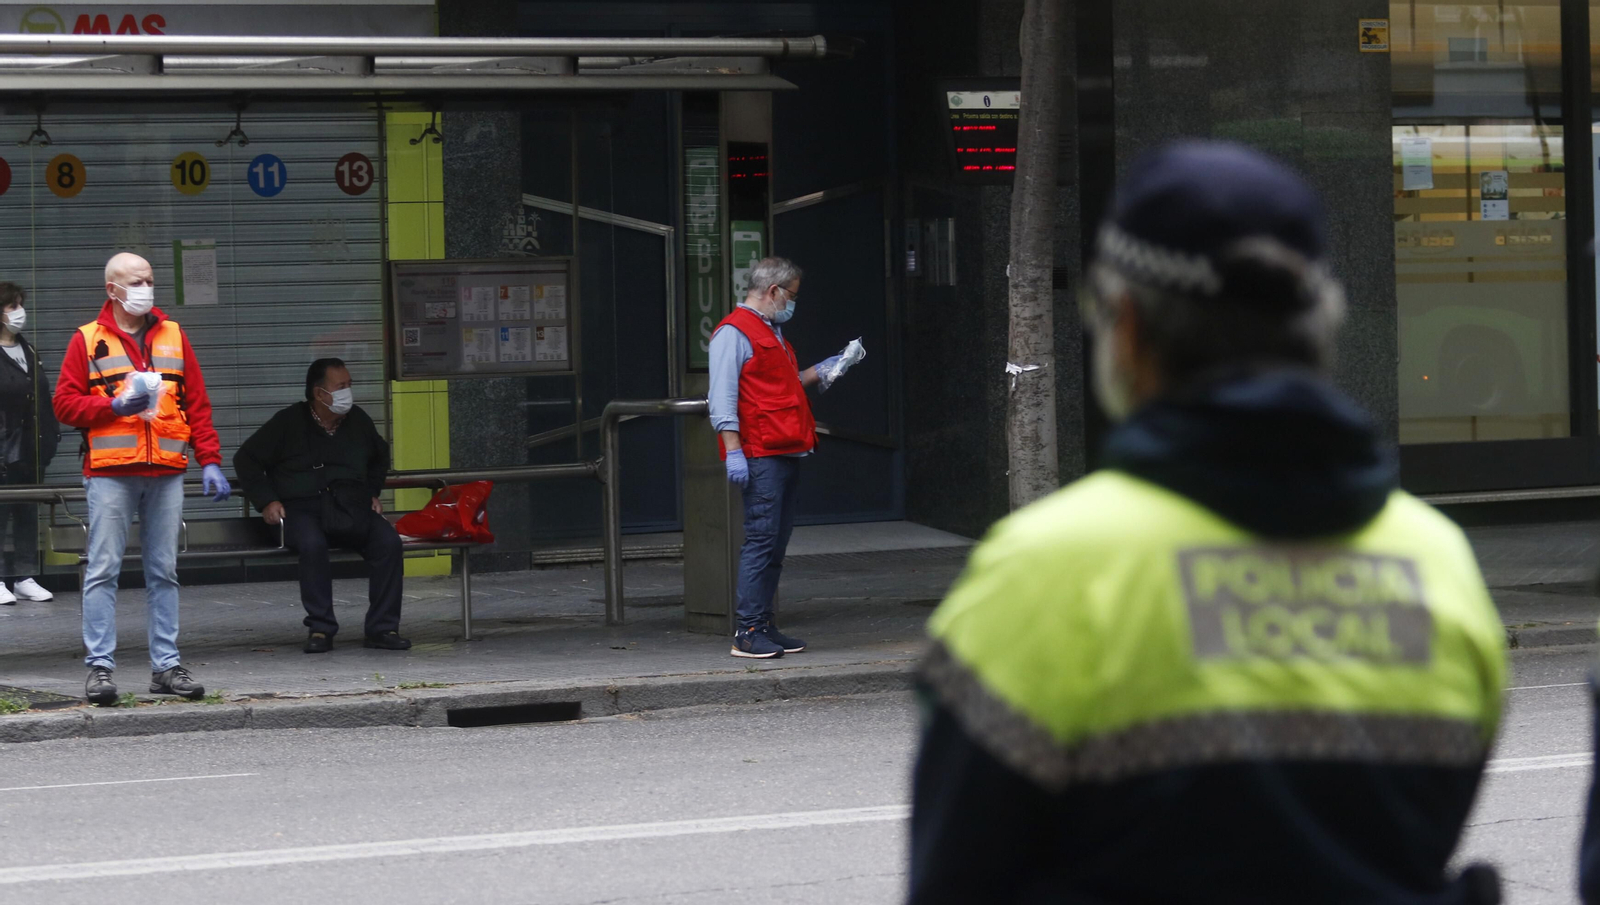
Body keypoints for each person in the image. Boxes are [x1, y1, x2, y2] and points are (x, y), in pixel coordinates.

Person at [907, 143, 1507, 904]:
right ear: (1320, 326)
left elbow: (956, 875)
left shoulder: (1043, 569)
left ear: (1125, 325)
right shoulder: (1439, 561)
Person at [53, 252, 230, 706]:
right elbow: (64, 404)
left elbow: (197, 404)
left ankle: (167, 667)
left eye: (149, 280)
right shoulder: (87, 341)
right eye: (136, 281)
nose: (146, 288)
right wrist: (110, 408)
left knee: (163, 571)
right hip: (111, 474)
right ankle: (100, 669)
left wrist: (209, 459)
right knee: (103, 570)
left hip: (167, 472)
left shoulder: (173, 335)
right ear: (112, 289)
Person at [708, 256, 864, 659]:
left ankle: (763, 623)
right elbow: (722, 399)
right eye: (791, 295)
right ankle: (747, 631)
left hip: (784, 448)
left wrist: (828, 368)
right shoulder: (733, 333)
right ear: (773, 291)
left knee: (774, 543)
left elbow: (781, 387)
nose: (794, 303)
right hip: (762, 452)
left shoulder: (770, 332)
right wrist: (733, 452)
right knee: (761, 542)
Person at [234, 358, 409, 654]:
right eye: (340, 387)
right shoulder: (288, 422)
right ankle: (321, 628)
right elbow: (246, 459)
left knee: (389, 543)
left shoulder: (358, 421)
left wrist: (371, 491)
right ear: (319, 394)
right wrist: (267, 500)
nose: (347, 393)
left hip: (350, 504)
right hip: (301, 507)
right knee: (312, 546)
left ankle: (383, 628)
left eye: (349, 385)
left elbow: (380, 456)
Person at [0, 282, 57, 604]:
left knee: (27, 513)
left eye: (20, 304)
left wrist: (50, 437)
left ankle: (24, 576)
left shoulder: (28, 350)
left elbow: (42, 398)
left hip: (31, 448)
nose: (19, 311)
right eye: (12, 305)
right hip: (3, 447)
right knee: (0, 513)